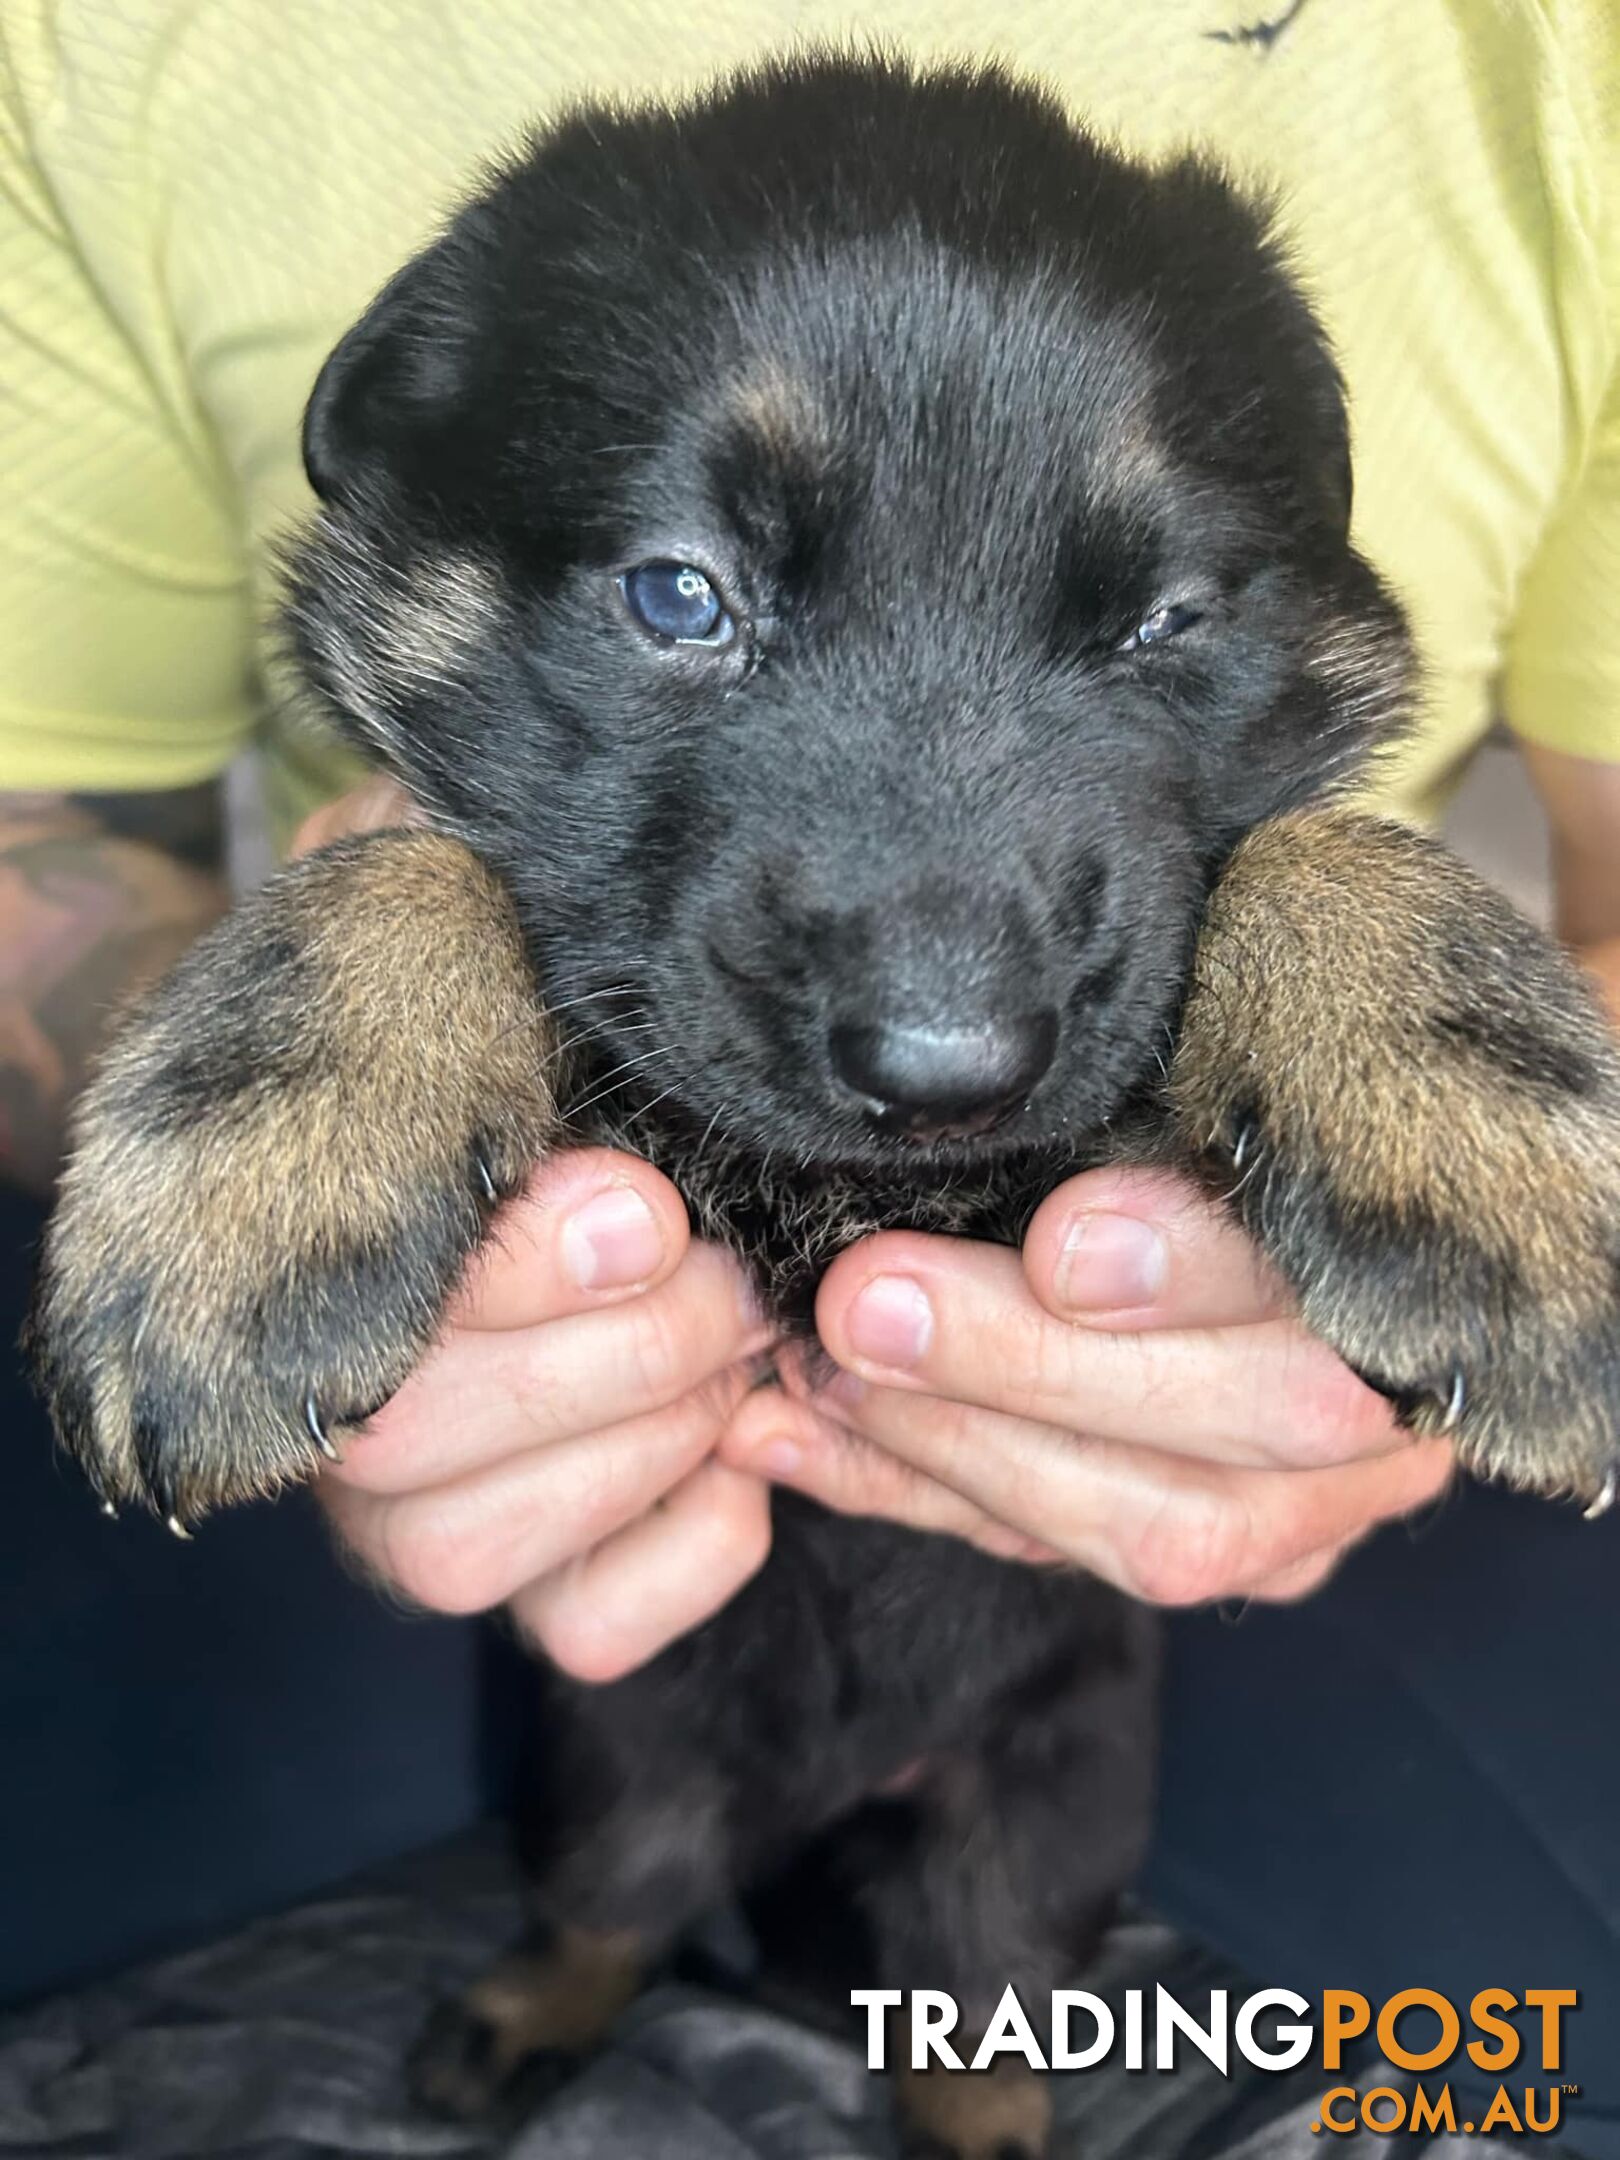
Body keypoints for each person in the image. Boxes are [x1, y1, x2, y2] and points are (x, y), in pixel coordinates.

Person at [3, 0, 1617, 2136]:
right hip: (579, 1607)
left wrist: (1373, 972)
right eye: (684, 595)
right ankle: (580, 1958)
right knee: (592, 1842)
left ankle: (982, 2092)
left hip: (1086, 1633)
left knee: (1338, 2016)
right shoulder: (108, 49)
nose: (957, 1024)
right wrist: (356, 952)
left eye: (1146, 625)